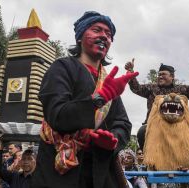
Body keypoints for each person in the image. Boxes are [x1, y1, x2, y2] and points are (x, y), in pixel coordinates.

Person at [31, 11, 138, 188]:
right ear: (80, 36)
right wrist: (99, 98)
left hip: (100, 171)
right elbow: (57, 115)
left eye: (109, 34)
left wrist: (112, 139)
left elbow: (123, 123)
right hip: (59, 173)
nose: (104, 36)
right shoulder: (62, 67)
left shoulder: (107, 79)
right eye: (97, 30)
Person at [125, 59, 189, 150]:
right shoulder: (151, 88)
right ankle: (147, 157)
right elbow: (136, 88)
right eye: (159, 74)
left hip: (176, 127)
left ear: (172, 76)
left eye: (163, 74)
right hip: (154, 126)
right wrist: (130, 71)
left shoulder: (181, 90)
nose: (160, 76)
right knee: (142, 131)